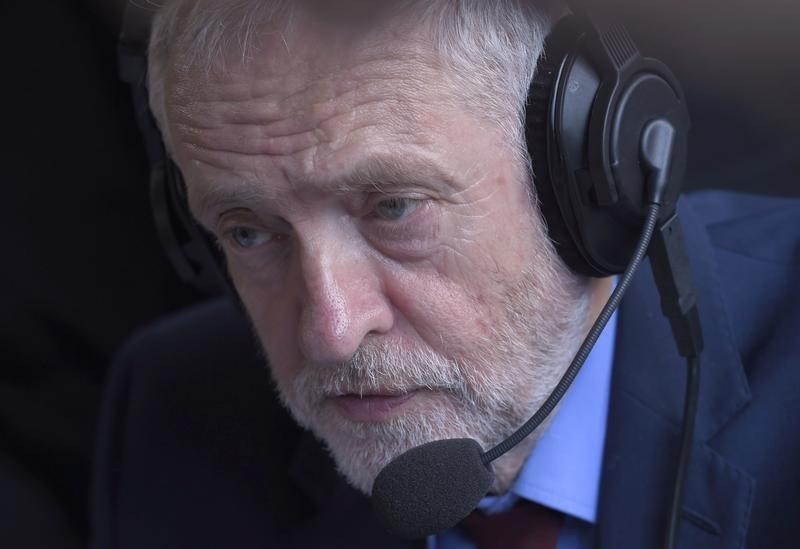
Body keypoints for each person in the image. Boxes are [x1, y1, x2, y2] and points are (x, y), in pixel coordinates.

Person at [92, 1, 800, 548]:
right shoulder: (179, 418)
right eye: (248, 231)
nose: (333, 330)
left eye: (393, 208)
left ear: (589, 171)